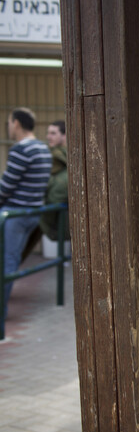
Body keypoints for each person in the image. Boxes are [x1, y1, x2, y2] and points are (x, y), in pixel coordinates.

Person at [0, 108, 52, 311]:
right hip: (32, 212)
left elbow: (6, 187)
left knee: (7, 262)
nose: (9, 127)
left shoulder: (21, 150)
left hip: (15, 213)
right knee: (11, 259)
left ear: (16, 124)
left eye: (9, 122)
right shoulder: (42, 148)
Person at [39, 120, 69, 241]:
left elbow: (55, 196)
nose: (48, 136)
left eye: (53, 133)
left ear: (64, 135)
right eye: (48, 133)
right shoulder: (51, 156)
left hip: (61, 222)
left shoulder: (68, 158)